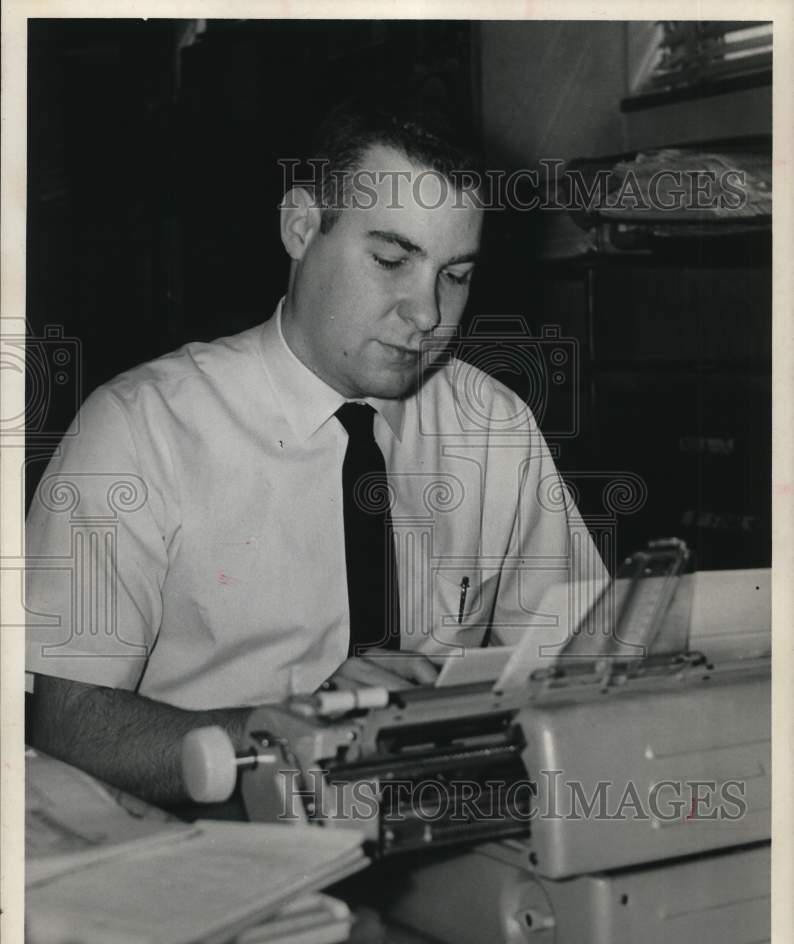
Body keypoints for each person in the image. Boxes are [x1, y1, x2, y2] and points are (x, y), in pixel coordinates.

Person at [26, 98, 606, 806]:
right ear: (301, 227)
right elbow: (69, 723)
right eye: (392, 259)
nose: (427, 316)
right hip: (208, 862)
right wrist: (279, 733)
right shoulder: (139, 428)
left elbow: (581, 666)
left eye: (455, 276)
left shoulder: (494, 426)